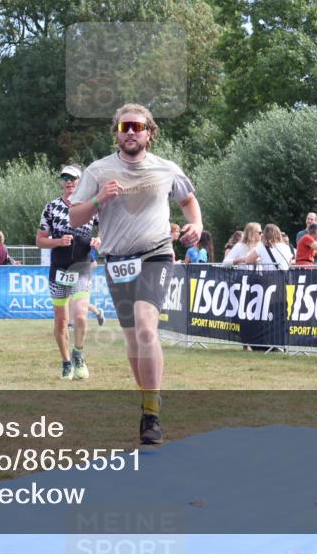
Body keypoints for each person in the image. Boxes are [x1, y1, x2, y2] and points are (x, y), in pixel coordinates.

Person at [70, 103, 202, 445]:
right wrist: (99, 200)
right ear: (116, 132)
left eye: (137, 127)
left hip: (156, 253)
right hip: (117, 259)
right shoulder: (98, 170)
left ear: (150, 132)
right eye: (124, 126)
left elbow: (187, 200)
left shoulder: (166, 168)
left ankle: (152, 415)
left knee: (146, 327)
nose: (130, 132)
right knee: (132, 338)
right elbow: (74, 220)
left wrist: (197, 225)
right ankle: (148, 401)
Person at [37, 164, 101, 380]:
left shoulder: (90, 206)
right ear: (60, 182)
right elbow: (40, 240)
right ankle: (66, 362)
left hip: (82, 268)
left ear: (80, 181)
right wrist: (57, 241)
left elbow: (106, 230)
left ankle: (79, 354)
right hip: (59, 269)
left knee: (81, 316)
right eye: (64, 178)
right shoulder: (51, 207)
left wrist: (99, 239)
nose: (68, 182)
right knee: (61, 321)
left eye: (73, 178)